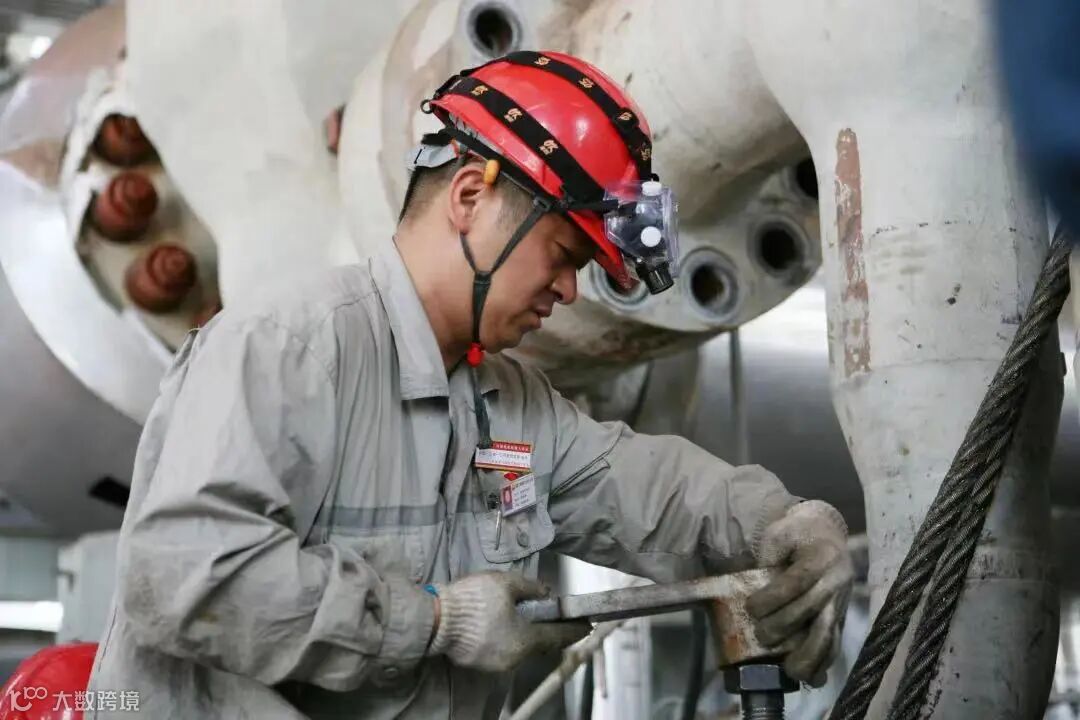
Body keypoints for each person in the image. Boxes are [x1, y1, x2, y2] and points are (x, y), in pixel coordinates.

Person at [87, 50, 853, 719]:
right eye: (562, 253)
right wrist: (432, 622)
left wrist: (778, 521)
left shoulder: (514, 408)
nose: (568, 290)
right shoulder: (289, 350)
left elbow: (647, 492)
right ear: (468, 198)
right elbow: (184, 576)